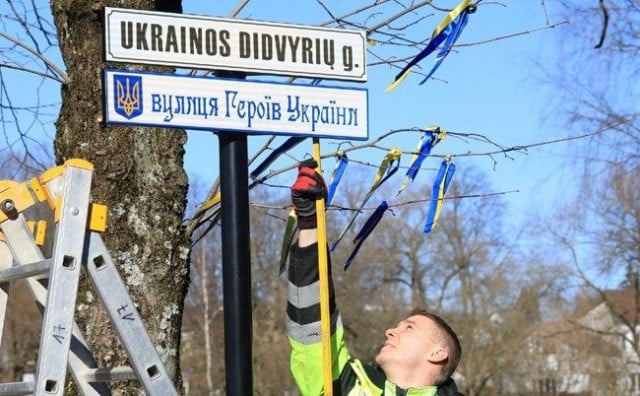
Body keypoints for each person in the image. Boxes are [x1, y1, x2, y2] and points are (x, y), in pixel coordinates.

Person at [286, 159, 464, 396]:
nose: (390, 331)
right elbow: (312, 336)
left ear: (437, 353)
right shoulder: (350, 389)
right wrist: (309, 222)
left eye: (409, 328)